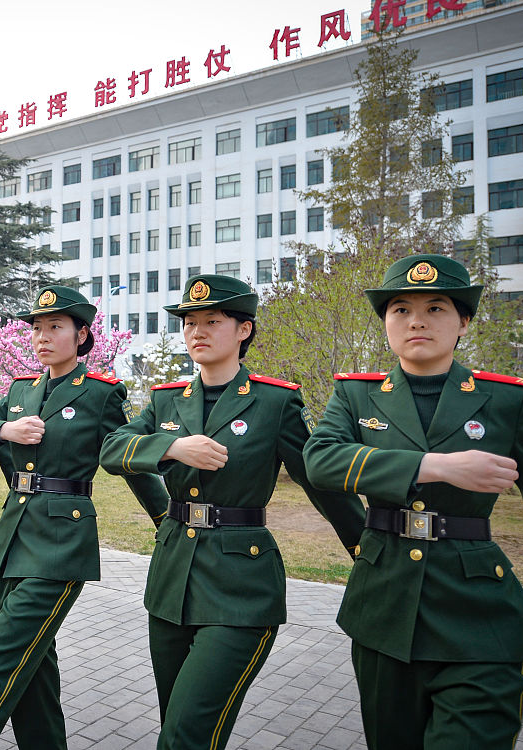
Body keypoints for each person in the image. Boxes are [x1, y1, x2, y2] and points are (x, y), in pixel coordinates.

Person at [303, 254, 523, 749]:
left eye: (436, 307)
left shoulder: (506, 400)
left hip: (479, 614)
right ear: (385, 322)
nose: (416, 320)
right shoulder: (356, 397)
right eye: (400, 309)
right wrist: (438, 465)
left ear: (463, 321)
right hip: (383, 608)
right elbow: (321, 462)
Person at [99, 275, 366, 750]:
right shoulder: (166, 399)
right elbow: (115, 448)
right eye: (190, 322)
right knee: (177, 725)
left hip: (240, 585)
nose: (197, 331)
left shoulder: (274, 401)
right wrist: (174, 446)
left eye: (212, 321)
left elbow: (320, 482)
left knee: (186, 732)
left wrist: (365, 549)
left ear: (244, 330)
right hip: (171, 581)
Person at [0, 285, 169, 750]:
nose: (42, 336)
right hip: (15, 537)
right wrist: (4, 429)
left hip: (62, 541)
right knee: (33, 667)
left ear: (81, 336)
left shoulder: (101, 394)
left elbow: (126, 458)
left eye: (55, 327)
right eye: (36, 328)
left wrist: (163, 517)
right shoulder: (20, 390)